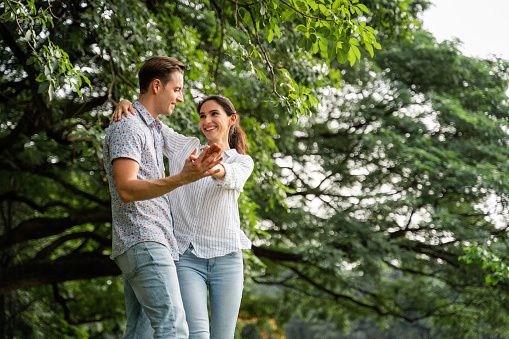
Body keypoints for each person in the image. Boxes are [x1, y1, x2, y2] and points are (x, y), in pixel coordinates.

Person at [112, 95, 254, 338]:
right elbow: (151, 120)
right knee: (196, 334)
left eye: (213, 114)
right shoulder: (184, 147)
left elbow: (229, 175)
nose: (206, 120)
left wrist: (210, 167)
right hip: (187, 258)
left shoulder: (242, 161)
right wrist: (127, 103)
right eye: (202, 115)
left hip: (227, 259)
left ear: (232, 119)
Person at [103, 56, 224, 339]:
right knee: (175, 330)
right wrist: (182, 178)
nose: (181, 98)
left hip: (152, 241)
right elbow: (127, 188)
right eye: (177, 89)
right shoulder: (129, 127)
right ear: (157, 86)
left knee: (139, 334)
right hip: (143, 239)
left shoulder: (152, 128)